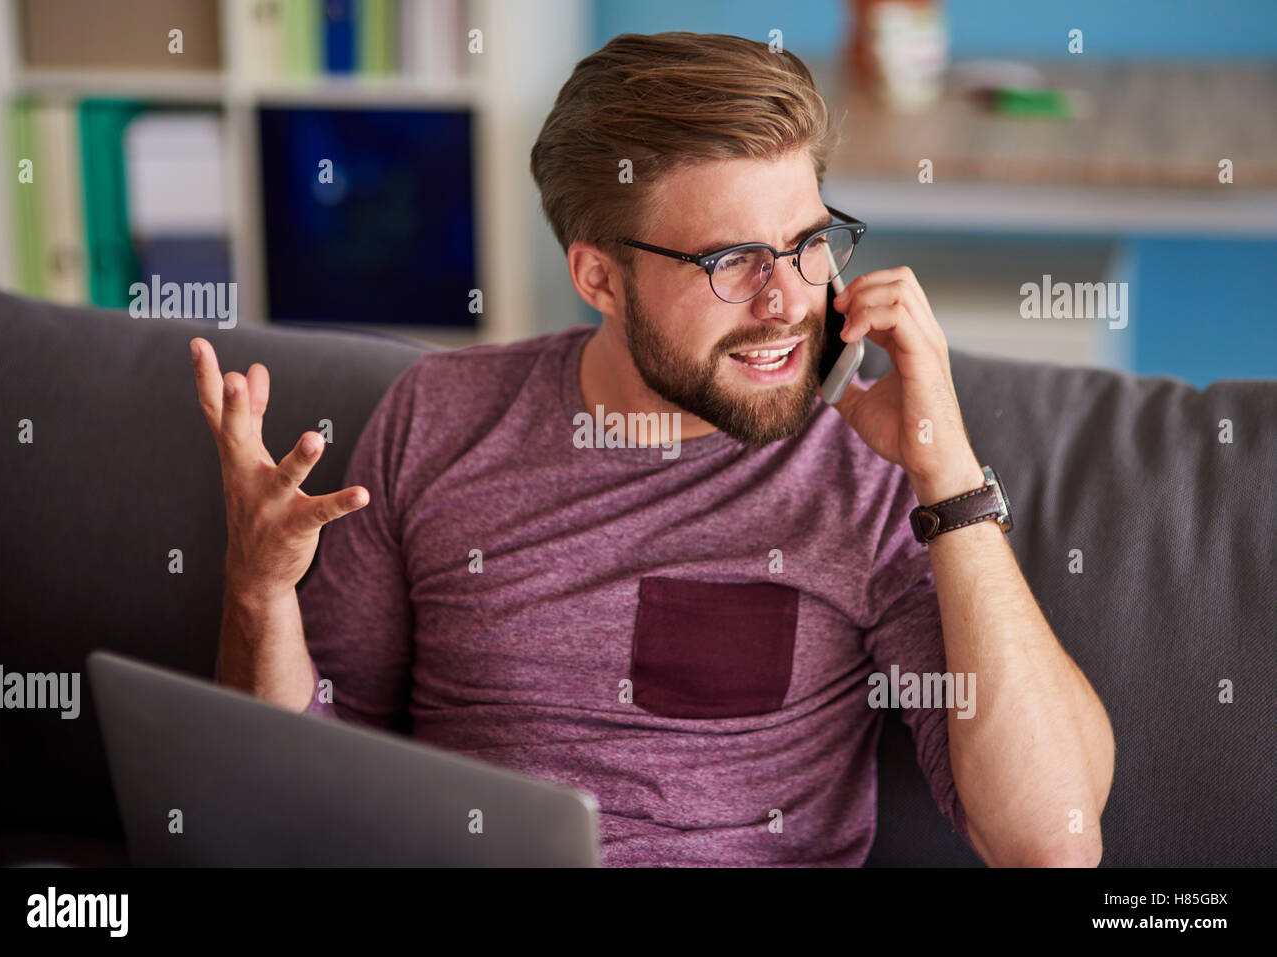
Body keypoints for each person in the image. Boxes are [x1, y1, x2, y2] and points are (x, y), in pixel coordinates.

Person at [191, 32, 1113, 867]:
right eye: (731, 261)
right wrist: (260, 591)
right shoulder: (439, 415)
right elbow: (306, 778)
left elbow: (1050, 838)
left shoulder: (871, 468)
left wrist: (946, 473)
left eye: (806, 244)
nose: (787, 301)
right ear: (599, 275)